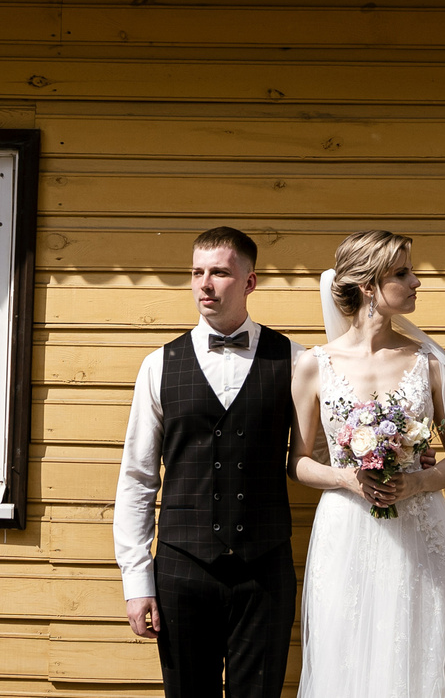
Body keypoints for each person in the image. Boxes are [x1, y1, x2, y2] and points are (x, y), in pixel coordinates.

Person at [291, 229, 445, 698]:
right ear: (368, 286)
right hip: (347, 533)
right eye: (403, 273)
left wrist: (416, 484)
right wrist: (347, 477)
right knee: (351, 655)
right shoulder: (314, 365)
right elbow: (297, 462)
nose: (416, 282)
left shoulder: (429, 363)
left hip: (421, 532)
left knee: (429, 649)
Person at [115, 225, 304, 698]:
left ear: (250, 282)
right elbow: (138, 479)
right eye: (197, 272)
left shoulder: (297, 361)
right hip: (181, 569)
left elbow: (318, 453)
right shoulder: (158, 365)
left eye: (219, 272)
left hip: (265, 569)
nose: (204, 283)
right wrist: (137, 580)